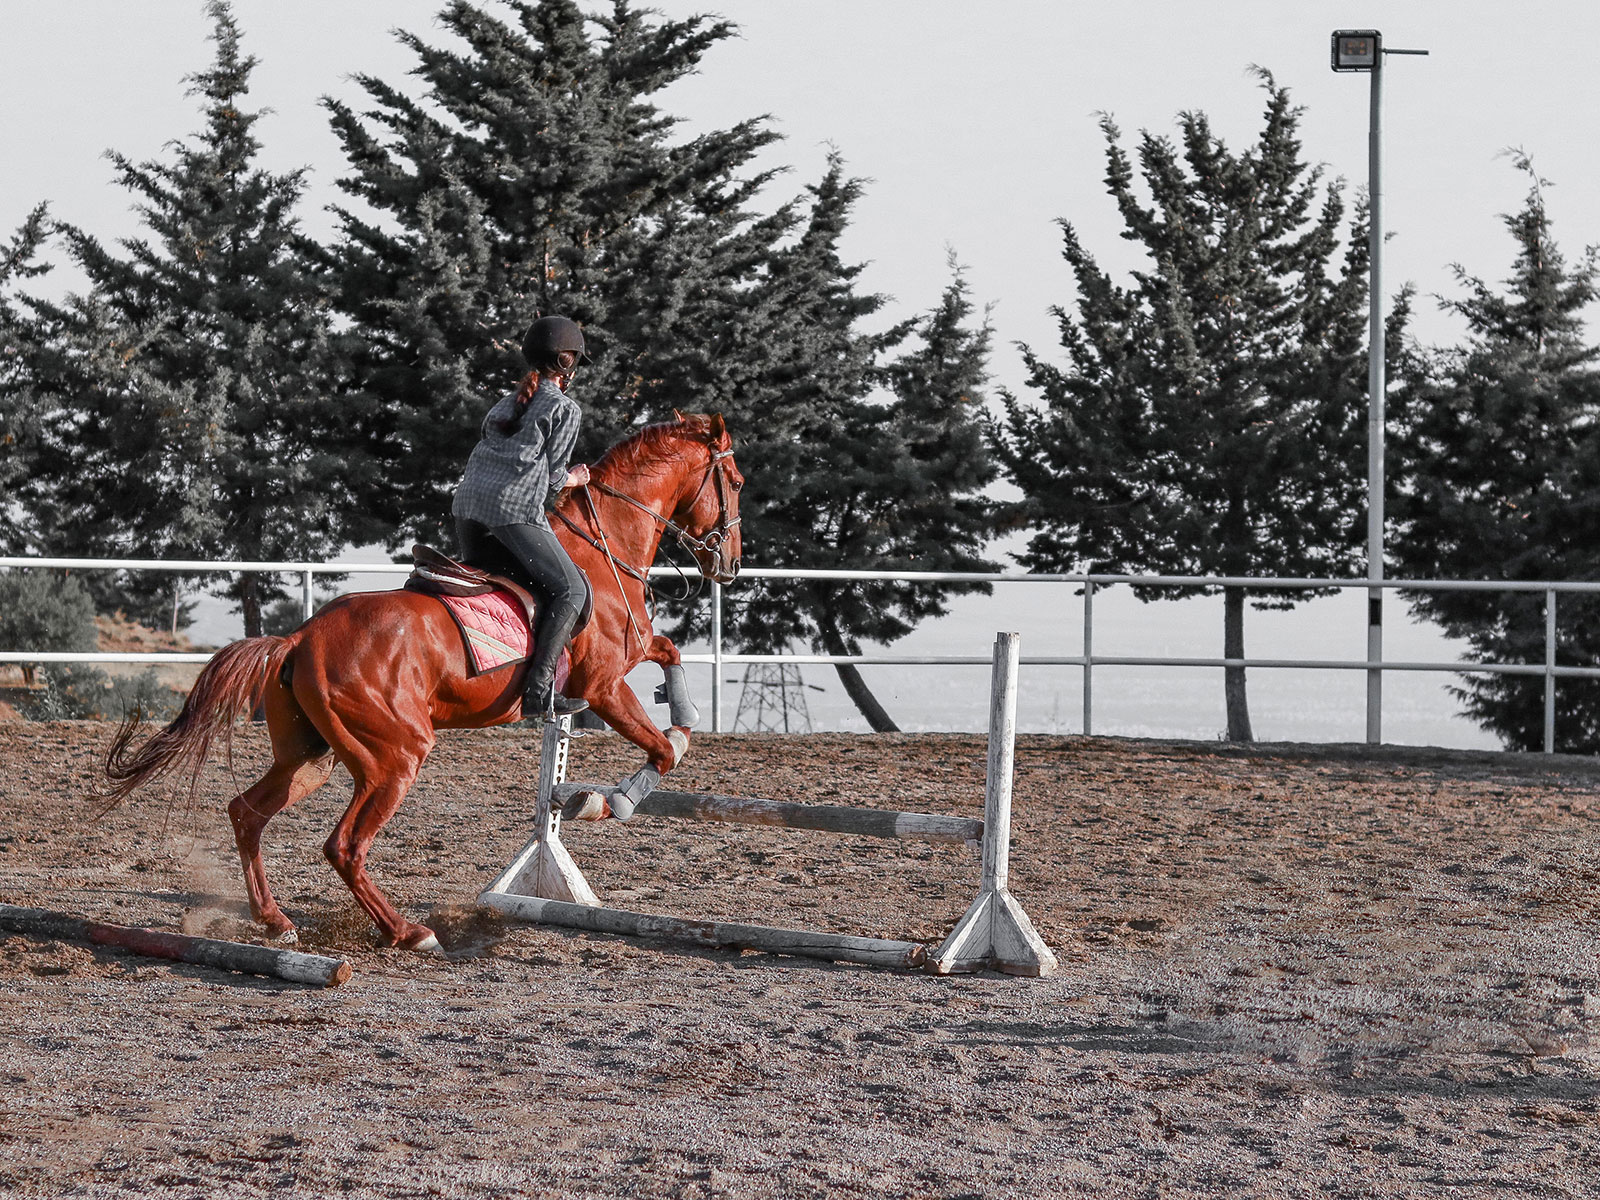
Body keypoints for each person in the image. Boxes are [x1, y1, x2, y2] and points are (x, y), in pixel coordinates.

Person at [452, 314, 593, 717]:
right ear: (567, 363)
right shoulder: (565, 409)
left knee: (509, 581)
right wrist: (576, 479)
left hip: (466, 510)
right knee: (572, 591)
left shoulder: (505, 402)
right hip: (512, 512)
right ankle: (538, 691)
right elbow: (550, 484)